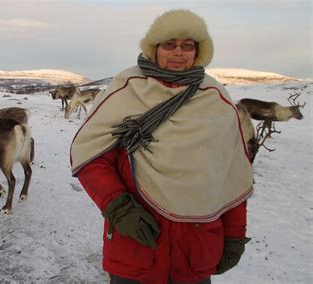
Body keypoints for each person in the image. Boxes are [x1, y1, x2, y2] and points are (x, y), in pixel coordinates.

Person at [70, 9, 253, 284]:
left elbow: (231, 174)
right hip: (137, 238)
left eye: (187, 46)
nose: (179, 52)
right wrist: (119, 207)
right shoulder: (127, 90)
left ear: (198, 52)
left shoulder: (215, 99)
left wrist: (235, 235)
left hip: (197, 245)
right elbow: (92, 157)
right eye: (170, 44)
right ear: (154, 48)